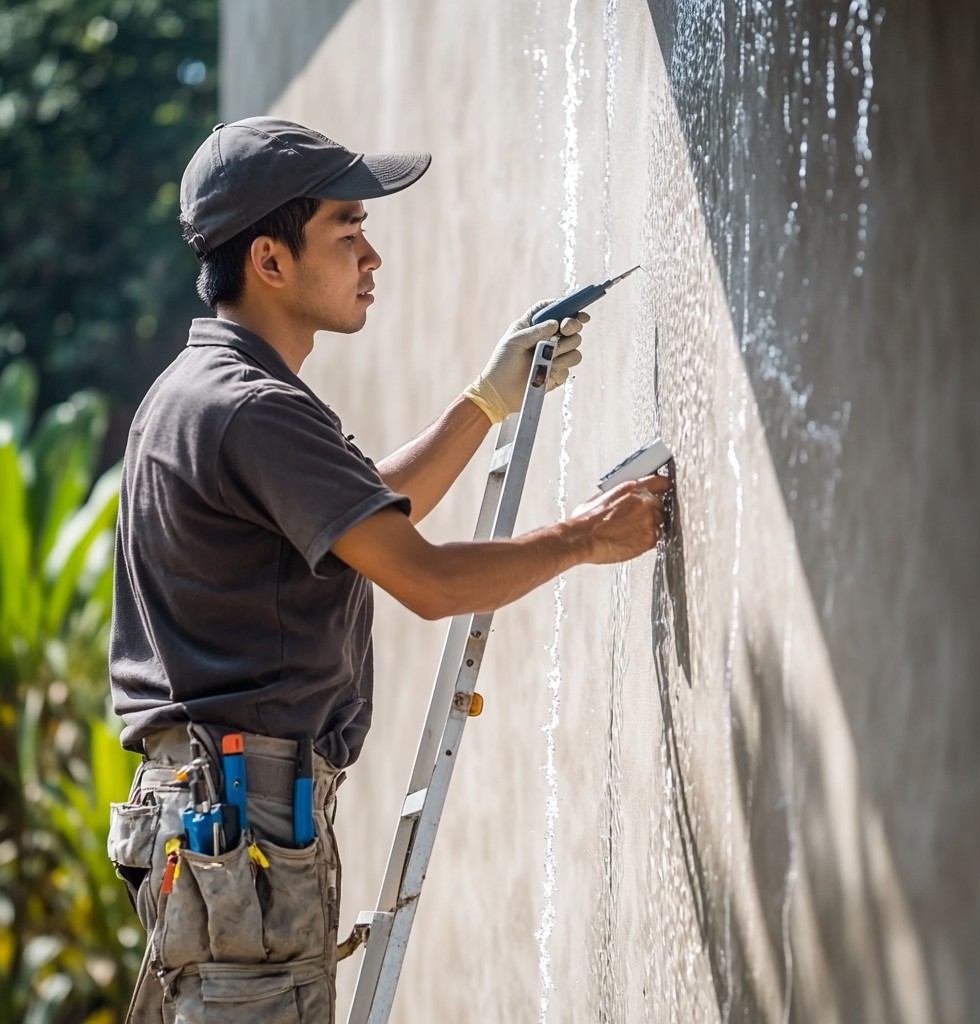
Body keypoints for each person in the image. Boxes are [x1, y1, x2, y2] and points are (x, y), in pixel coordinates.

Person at [106, 117, 669, 1023]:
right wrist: (586, 538)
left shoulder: (201, 391)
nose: (372, 257)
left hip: (225, 818)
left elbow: (362, 513)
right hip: (242, 821)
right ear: (270, 260)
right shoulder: (250, 408)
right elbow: (427, 580)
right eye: (347, 231)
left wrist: (485, 400)